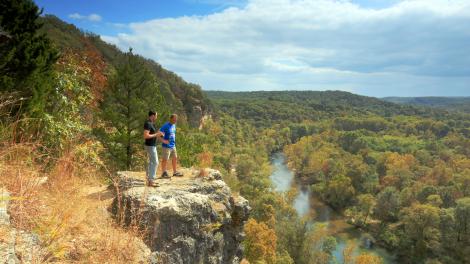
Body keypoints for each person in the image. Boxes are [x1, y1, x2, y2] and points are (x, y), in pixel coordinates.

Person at [143, 110, 165, 187]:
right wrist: (156, 134)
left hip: (151, 145)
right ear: (153, 116)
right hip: (150, 146)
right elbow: (145, 136)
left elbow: (153, 134)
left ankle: (149, 180)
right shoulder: (148, 124)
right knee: (155, 162)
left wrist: (160, 134)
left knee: (151, 162)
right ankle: (151, 181)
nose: (156, 117)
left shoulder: (152, 124)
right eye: (156, 115)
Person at [159, 114, 183, 178]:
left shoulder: (174, 125)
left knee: (175, 158)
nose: (175, 121)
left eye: (176, 119)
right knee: (165, 159)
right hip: (166, 146)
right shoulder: (165, 126)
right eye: (174, 119)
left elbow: (173, 134)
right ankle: (163, 173)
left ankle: (175, 172)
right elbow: (159, 134)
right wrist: (164, 141)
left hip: (173, 145)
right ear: (171, 119)